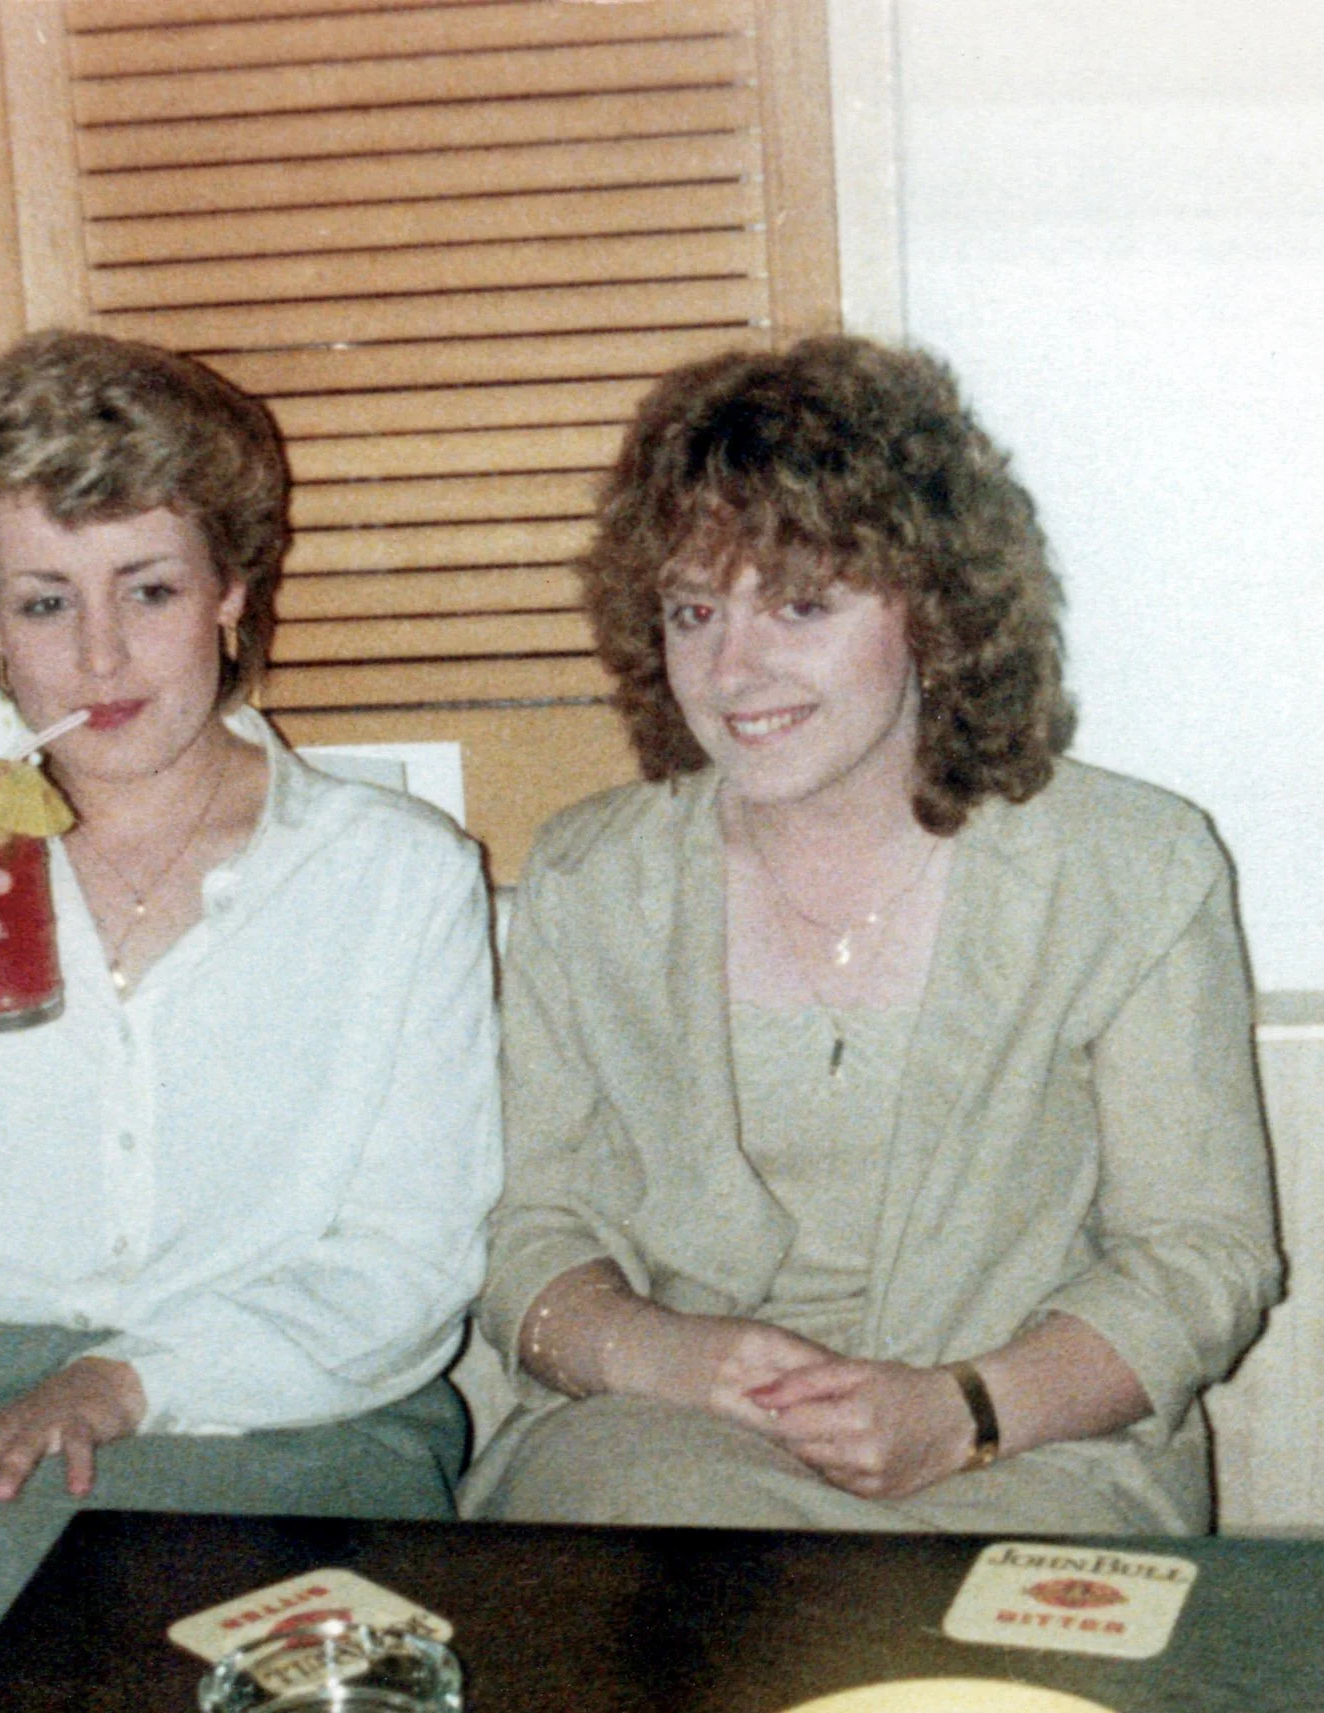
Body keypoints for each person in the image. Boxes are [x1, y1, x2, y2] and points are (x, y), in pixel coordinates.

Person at [0, 330, 501, 1711]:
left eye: (148, 589)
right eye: (42, 603)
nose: (98, 652)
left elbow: (406, 1272)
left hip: (299, 1419)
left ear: (232, 595)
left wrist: (119, 1383)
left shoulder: (393, 874)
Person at [460, 336, 1280, 1535]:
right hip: (668, 1452)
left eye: (799, 605)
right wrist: (655, 1353)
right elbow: (528, 1229)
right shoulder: (593, 878)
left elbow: (1201, 1255)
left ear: (935, 609)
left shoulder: (1132, 867)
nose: (731, 669)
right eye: (692, 611)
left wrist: (966, 1410)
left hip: (1029, 1454)